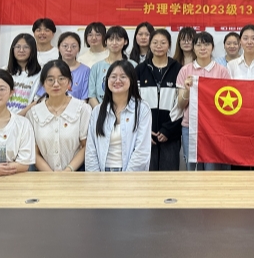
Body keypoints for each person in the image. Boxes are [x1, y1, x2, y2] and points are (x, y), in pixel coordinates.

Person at [176, 31, 231, 170]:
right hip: (190, 127)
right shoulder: (185, 70)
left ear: (212, 47)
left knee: (212, 169)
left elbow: (226, 105)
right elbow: (181, 105)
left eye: (206, 44)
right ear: (193, 48)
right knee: (192, 168)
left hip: (214, 128)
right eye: (198, 45)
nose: (202, 48)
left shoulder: (222, 71)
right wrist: (187, 90)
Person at [85, 61, 151, 172]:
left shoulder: (142, 109)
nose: (117, 81)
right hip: (102, 173)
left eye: (123, 77)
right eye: (113, 77)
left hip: (131, 174)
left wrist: (126, 178)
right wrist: (95, 177)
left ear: (131, 80)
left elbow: (142, 150)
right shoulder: (97, 111)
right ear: (107, 81)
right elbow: (91, 150)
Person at [27, 60, 92, 172]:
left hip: (76, 175)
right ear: (43, 84)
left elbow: (86, 146)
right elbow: (34, 151)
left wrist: (68, 171)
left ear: (69, 82)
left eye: (61, 79)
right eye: (50, 79)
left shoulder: (83, 109)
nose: (56, 84)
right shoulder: (33, 113)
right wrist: (51, 175)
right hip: (44, 176)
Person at [135, 29, 183, 171]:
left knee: (169, 178)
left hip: (171, 135)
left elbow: (180, 105)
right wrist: (144, 130)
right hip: (145, 135)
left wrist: (168, 129)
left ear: (169, 45)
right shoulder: (140, 69)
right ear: (150, 45)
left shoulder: (178, 69)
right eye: (155, 42)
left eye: (163, 43)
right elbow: (134, 102)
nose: (158, 46)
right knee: (147, 178)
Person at [87, 26, 132, 108]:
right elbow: (92, 96)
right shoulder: (96, 67)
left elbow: (135, 93)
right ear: (106, 42)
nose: (114, 43)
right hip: (101, 111)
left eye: (118, 39)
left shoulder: (133, 65)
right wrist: (101, 111)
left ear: (125, 42)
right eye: (111, 39)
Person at [5, 33, 42, 116]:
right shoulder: (4, 72)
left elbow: (37, 101)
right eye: (18, 47)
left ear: (33, 50)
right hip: (3, 118)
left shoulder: (41, 74)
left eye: (26, 47)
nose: (21, 50)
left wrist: (17, 118)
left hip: (27, 118)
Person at [55, 32, 90, 100]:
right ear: (58, 48)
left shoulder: (85, 70)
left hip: (78, 106)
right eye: (65, 46)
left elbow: (85, 98)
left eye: (73, 46)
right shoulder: (51, 69)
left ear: (79, 49)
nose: (69, 49)